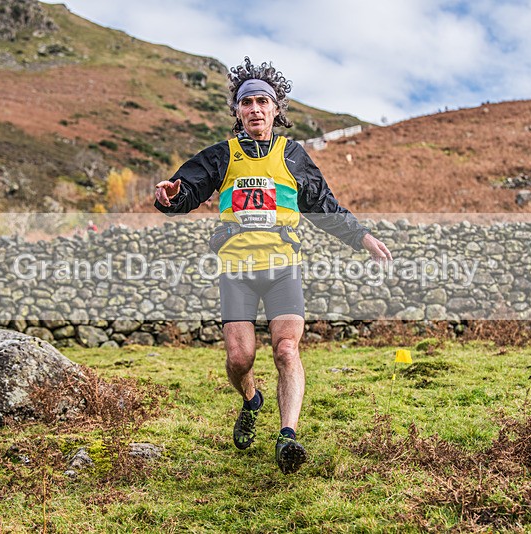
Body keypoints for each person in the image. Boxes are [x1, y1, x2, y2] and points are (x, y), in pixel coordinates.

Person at [154, 57, 391, 474]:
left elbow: (323, 205)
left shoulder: (293, 156)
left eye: (263, 101)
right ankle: (250, 399)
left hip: (284, 268)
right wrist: (171, 196)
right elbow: (185, 190)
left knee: (286, 348)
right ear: (237, 111)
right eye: (247, 103)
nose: (255, 109)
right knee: (240, 358)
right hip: (237, 272)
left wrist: (362, 237)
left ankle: (287, 437)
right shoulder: (221, 156)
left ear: (276, 109)